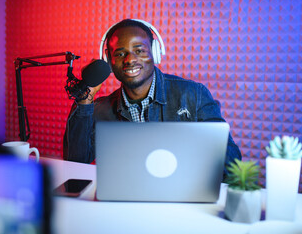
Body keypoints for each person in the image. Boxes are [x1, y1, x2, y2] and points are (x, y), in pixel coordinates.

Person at [63, 19, 241, 174]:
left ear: (155, 53)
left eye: (139, 50)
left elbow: (230, 164)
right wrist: (85, 101)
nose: (130, 59)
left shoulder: (193, 95)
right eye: (120, 53)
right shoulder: (99, 109)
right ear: (109, 60)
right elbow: (75, 163)